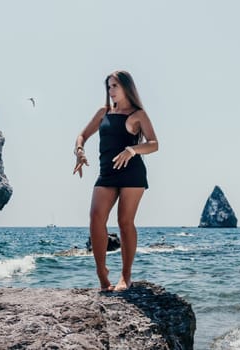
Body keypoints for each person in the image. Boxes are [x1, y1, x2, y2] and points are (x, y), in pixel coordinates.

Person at [73, 70, 159, 292]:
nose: (111, 91)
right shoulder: (104, 112)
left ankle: (126, 276)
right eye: (108, 87)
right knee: (95, 217)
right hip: (107, 173)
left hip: (132, 174)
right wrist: (79, 151)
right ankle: (102, 273)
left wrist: (132, 149)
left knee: (124, 222)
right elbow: (82, 135)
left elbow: (154, 144)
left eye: (115, 86)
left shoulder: (139, 114)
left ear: (126, 88)